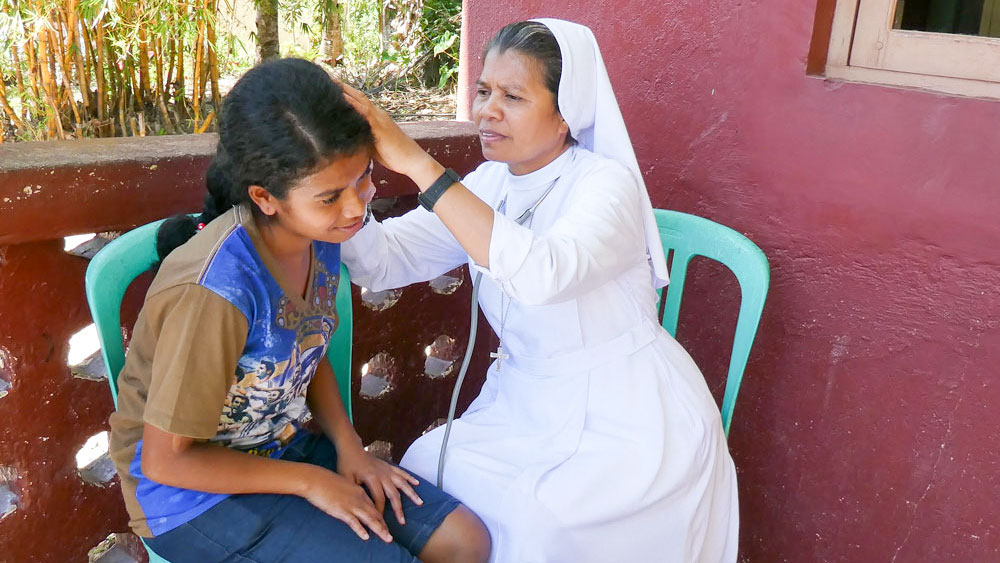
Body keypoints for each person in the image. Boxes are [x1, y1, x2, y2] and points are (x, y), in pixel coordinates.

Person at [341, 19, 739, 563]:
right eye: (483, 91)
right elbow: (383, 262)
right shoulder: (488, 183)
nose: (486, 110)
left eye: (512, 96)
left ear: (566, 111)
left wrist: (415, 161)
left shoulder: (606, 186)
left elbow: (544, 274)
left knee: (537, 522)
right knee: (426, 463)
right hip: (524, 406)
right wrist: (342, 193)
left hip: (626, 419)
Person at [107, 58, 490, 563]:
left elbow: (304, 351)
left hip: (277, 448)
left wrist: (350, 448)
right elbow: (165, 462)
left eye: (364, 177)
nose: (356, 208)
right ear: (265, 197)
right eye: (331, 196)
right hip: (191, 499)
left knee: (465, 541)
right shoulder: (216, 294)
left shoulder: (319, 237)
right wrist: (312, 482)